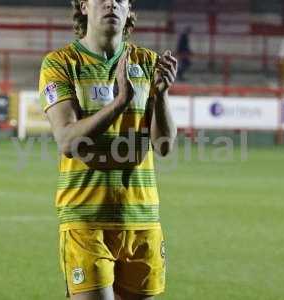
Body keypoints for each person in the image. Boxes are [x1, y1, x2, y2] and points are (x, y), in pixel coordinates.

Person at [38, 0, 178, 299]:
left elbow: (164, 146)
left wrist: (162, 95)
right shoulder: (60, 63)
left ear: (129, 9)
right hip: (85, 218)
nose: (111, 2)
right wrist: (120, 102)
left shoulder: (148, 61)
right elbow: (67, 140)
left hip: (142, 217)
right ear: (83, 6)